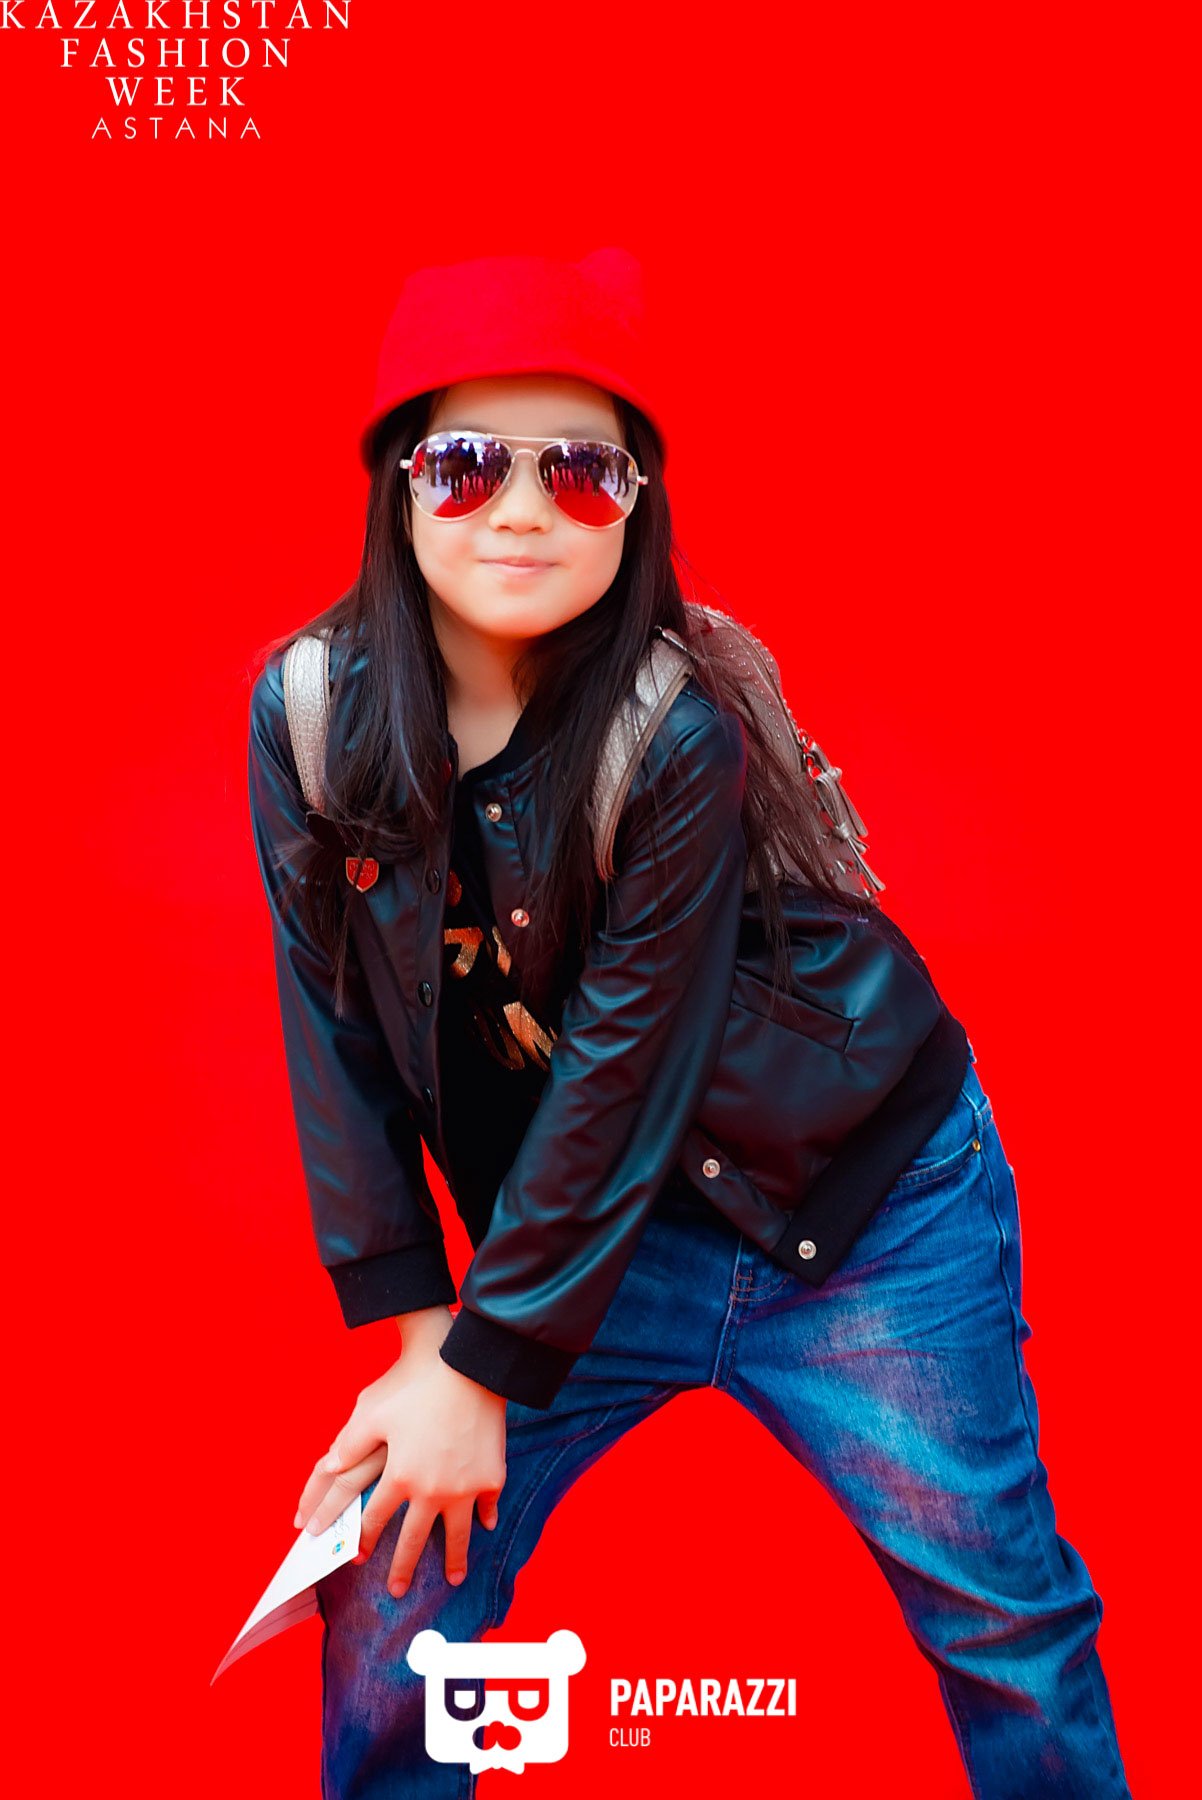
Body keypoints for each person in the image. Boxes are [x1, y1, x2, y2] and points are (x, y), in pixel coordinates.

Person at [246, 249, 1133, 1798]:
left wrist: (483, 1362)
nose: (521, 511)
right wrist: (417, 1339)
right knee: (391, 1574)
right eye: (465, 465)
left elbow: (619, 1071)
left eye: (581, 473)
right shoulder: (312, 712)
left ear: (637, 504)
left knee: (1000, 1611)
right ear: (396, 485)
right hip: (589, 1233)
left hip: (858, 1215)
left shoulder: (675, 731)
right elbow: (333, 1026)